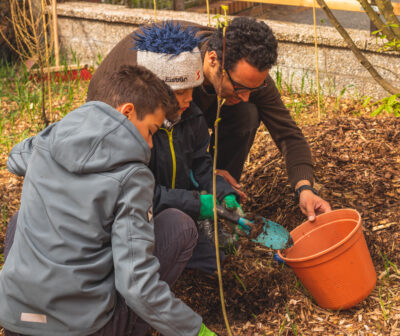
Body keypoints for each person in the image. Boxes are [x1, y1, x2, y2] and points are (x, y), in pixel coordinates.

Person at [0, 65, 217, 336]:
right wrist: (197, 331)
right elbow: (137, 286)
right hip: (83, 329)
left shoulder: (48, 141)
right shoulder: (133, 177)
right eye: (151, 131)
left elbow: (14, 158)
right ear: (127, 112)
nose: (150, 144)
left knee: (21, 220)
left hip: (15, 321)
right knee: (179, 225)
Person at [87, 17, 331, 222]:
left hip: (180, 122)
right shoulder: (168, 68)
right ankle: (186, 206)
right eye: (239, 87)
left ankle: (217, 198)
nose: (246, 96)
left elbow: (288, 133)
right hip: (132, 124)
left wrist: (304, 188)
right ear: (213, 60)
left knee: (246, 113)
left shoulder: (249, 76)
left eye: (253, 89)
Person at [134, 22, 241, 274]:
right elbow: (142, 195)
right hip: (139, 220)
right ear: (153, 92)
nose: (189, 99)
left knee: (214, 260)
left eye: (192, 89)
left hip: (181, 210)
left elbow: (200, 165)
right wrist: (197, 205)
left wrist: (222, 192)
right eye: (180, 92)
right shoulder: (136, 130)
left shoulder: (191, 117)